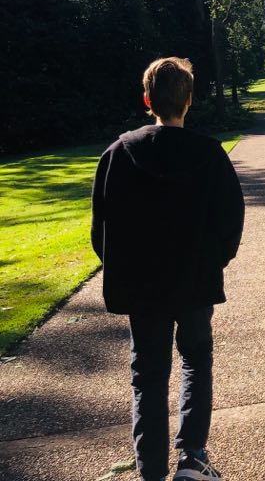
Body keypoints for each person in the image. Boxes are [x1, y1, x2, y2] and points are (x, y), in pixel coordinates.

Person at [91, 57, 245, 481]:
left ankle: (152, 471)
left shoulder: (119, 154)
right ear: (189, 101)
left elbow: (100, 228)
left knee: (148, 375)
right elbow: (231, 221)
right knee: (196, 360)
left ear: (147, 100)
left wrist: (121, 266)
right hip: (195, 281)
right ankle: (192, 457)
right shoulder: (210, 155)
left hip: (142, 287)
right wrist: (215, 260)